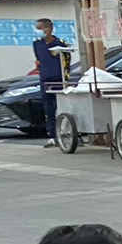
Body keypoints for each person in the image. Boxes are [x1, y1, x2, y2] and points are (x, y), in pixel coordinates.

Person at [32, 18, 70, 148]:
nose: (37, 31)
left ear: (48, 29)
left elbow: (66, 63)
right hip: (45, 80)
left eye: (39, 28)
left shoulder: (60, 44)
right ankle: (52, 136)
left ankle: (66, 133)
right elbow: (39, 59)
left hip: (59, 80)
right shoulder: (37, 44)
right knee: (49, 110)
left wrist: (65, 79)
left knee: (62, 108)